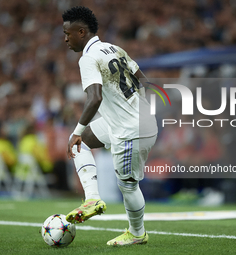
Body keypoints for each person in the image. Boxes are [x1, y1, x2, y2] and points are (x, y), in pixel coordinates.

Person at [62, 6, 158, 246]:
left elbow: (94, 98)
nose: (65, 38)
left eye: (68, 33)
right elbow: (143, 79)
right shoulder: (115, 49)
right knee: (80, 143)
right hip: (136, 120)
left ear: (82, 32)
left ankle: (137, 234)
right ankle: (92, 198)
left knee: (127, 184)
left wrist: (74, 130)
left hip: (130, 130)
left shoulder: (88, 58)